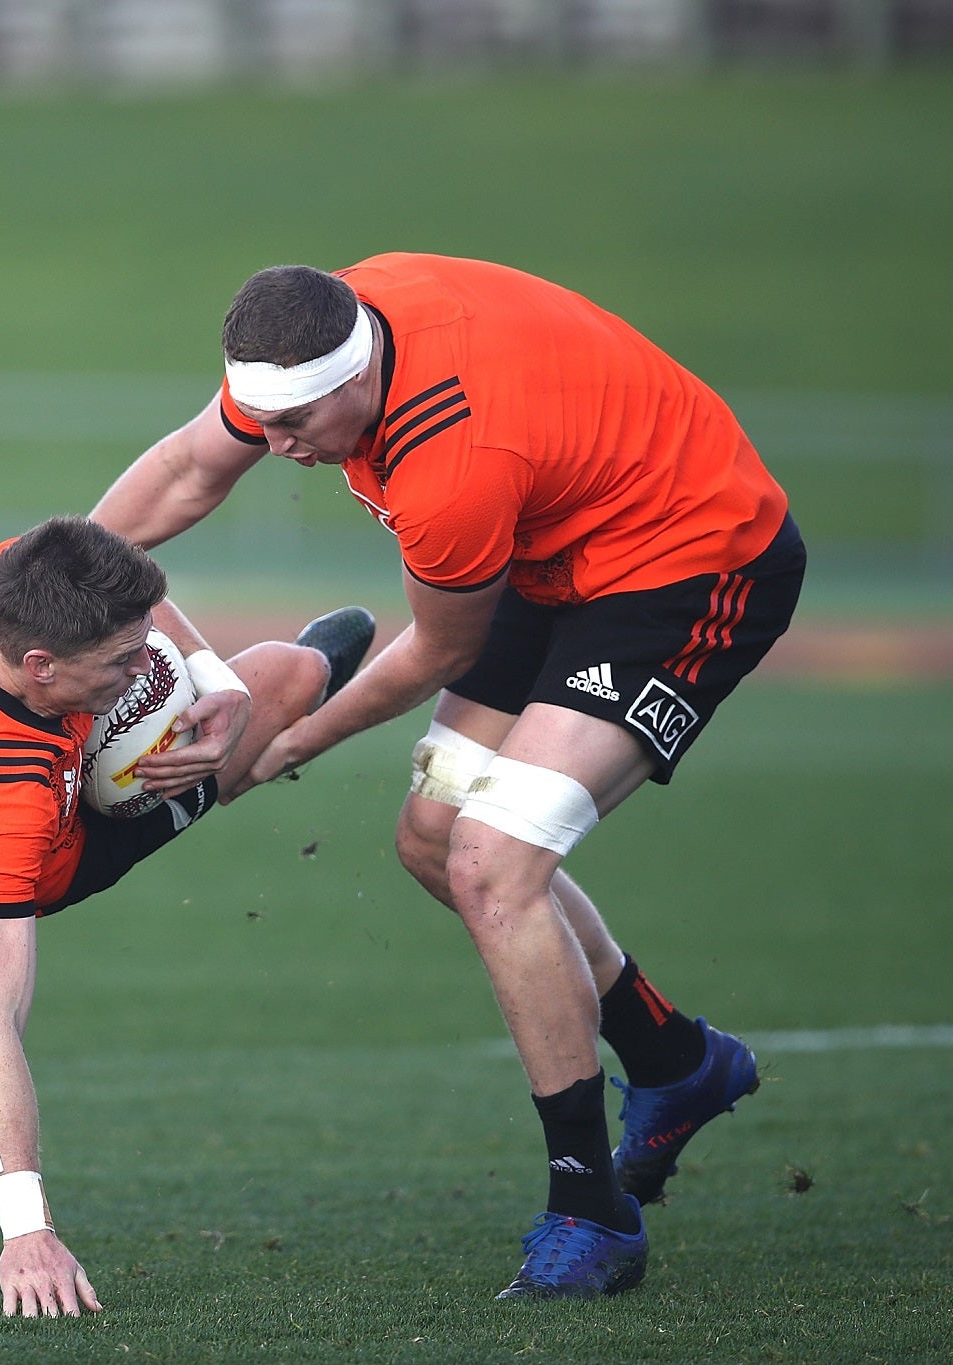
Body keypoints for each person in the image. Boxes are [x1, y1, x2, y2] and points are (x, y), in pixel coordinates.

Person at [87, 254, 805, 1300]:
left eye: (296, 427)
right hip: (549, 538)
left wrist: (285, 742)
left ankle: (589, 1209)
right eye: (263, 419)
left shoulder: (451, 462)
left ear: (354, 384)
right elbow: (192, 465)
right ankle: (673, 1061)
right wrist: (61, 567)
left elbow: (431, 651)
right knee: (430, 840)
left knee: (488, 862)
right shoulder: (313, 325)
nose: (278, 447)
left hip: (688, 558)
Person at [0, 516, 371, 1318]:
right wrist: (25, 1227)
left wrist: (212, 674)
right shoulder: (0, 799)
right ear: (41, 664)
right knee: (281, 682)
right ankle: (285, 713)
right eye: (122, 660)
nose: (144, 665)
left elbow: (136, 598)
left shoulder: (12, 575)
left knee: (230, 692)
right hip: (43, 848)